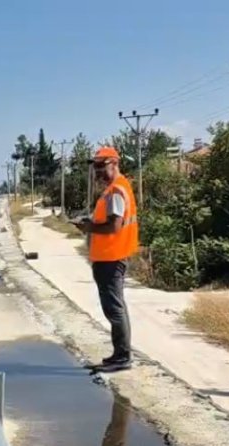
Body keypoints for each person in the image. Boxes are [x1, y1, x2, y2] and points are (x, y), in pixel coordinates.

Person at [71, 147, 138, 372]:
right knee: (116, 307)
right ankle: (120, 354)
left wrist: (88, 227)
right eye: (95, 167)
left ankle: (122, 357)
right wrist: (90, 222)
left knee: (114, 309)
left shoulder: (116, 191)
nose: (97, 171)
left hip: (111, 257)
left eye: (101, 166)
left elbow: (114, 226)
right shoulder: (114, 189)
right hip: (110, 256)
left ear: (114, 163)